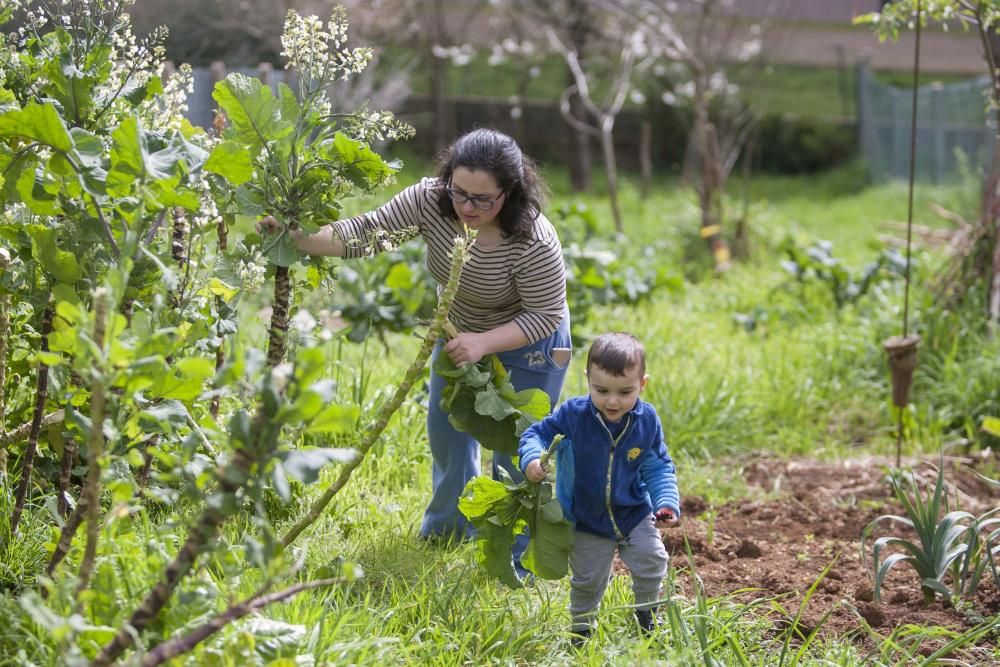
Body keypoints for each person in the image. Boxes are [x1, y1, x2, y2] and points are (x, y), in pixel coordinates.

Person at [260, 128, 571, 570]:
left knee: (517, 449)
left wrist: (484, 343)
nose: (467, 207)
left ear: (511, 191)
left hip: (529, 342)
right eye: (460, 192)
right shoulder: (430, 200)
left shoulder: (534, 239)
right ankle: (447, 531)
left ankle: (514, 552)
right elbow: (368, 232)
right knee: (447, 431)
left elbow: (545, 314)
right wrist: (300, 238)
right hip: (460, 330)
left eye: (484, 199)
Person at [519, 332, 680, 644]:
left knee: (653, 560)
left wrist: (666, 502)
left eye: (625, 391)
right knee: (588, 579)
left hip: (633, 511)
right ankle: (581, 629)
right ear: (587, 379)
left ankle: (646, 612)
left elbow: (658, 465)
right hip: (587, 516)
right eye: (601, 389)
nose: (612, 400)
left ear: (642, 384)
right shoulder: (573, 415)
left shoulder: (646, 421)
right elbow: (536, 434)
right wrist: (532, 460)